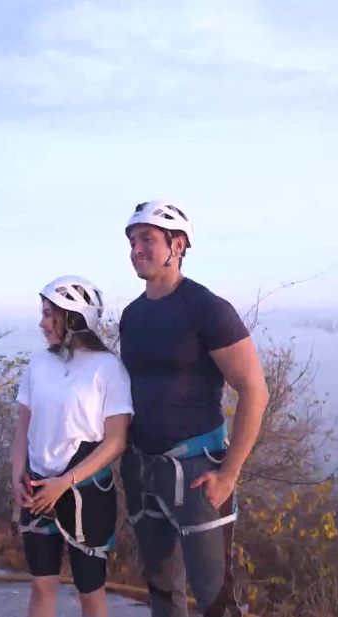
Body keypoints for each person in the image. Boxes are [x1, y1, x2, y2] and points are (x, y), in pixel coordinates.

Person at [118, 200, 269, 617]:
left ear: (178, 245)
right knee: (162, 592)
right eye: (132, 241)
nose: (136, 249)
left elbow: (254, 390)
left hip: (198, 471)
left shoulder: (207, 309)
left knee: (215, 599)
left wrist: (229, 474)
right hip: (144, 469)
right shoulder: (132, 316)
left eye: (147, 239)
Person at [10, 275, 134, 617]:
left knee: (90, 591)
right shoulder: (38, 364)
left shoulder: (108, 368)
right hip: (36, 485)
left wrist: (65, 482)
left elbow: (116, 440)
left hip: (86, 491)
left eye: (51, 314)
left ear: (74, 319)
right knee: (42, 584)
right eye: (43, 313)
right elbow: (23, 428)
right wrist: (16, 474)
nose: (42, 322)